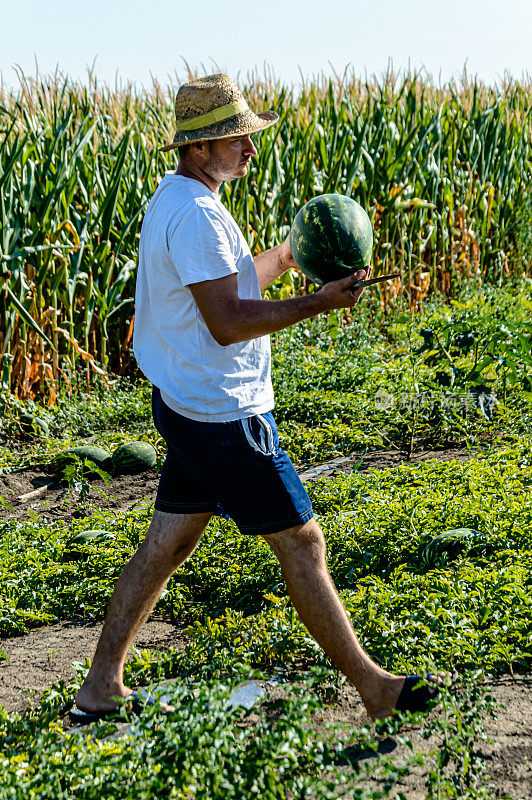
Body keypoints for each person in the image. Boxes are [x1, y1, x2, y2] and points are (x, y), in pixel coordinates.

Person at [72, 74, 442, 724]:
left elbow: (229, 283)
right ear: (200, 146)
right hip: (222, 415)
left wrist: (290, 256)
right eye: (235, 138)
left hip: (190, 400)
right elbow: (228, 320)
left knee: (166, 545)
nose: (249, 149)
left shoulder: (183, 199)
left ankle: (100, 688)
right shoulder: (194, 216)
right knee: (303, 542)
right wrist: (317, 304)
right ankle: (375, 688)